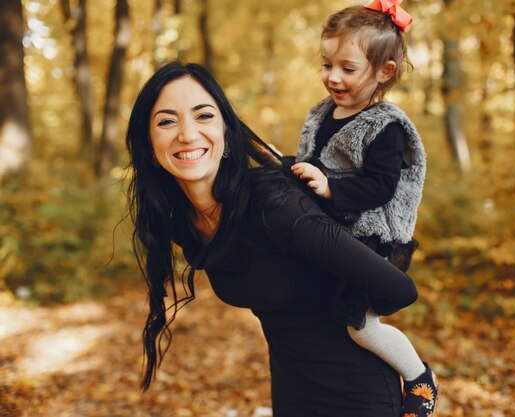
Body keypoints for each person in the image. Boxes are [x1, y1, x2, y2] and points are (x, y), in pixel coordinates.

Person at [125, 61, 420, 417]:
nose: (187, 134)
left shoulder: (273, 204)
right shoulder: (184, 223)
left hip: (357, 394)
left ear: (227, 134)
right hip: (291, 390)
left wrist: (347, 308)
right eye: (167, 121)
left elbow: (398, 290)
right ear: (150, 145)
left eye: (203, 116)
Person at [285, 2, 439, 415]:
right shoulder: (322, 114)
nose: (333, 77)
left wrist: (331, 188)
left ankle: (419, 378)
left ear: (383, 72)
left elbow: (381, 187)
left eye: (347, 68)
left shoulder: (385, 126)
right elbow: (311, 164)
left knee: (360, 326)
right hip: (335, 234)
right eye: (326, 64)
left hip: (374, 240)